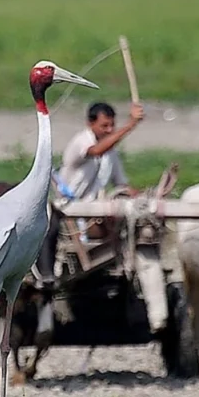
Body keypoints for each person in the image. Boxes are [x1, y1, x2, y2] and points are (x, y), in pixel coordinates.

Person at [35, 101, 145, 285]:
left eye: (112, 125)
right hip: (70, 211)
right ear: (90, 124)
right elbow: (96, 151)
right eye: (104, 126)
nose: (109, 130)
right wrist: (131, 124)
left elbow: (122, 185)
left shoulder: (112, 154)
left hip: (95, 211)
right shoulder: (81, 142)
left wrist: (144, 197)